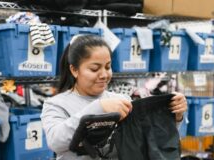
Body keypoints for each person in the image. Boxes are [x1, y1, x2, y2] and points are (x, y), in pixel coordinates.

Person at [41, 35, 187, 160]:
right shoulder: (56, 104)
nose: (104, 75)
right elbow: (55, 142)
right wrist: (99, 108)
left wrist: (176, 115)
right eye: (94, 69)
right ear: (74, 70)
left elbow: (150, 139)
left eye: (108, 67)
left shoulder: (121, 100)